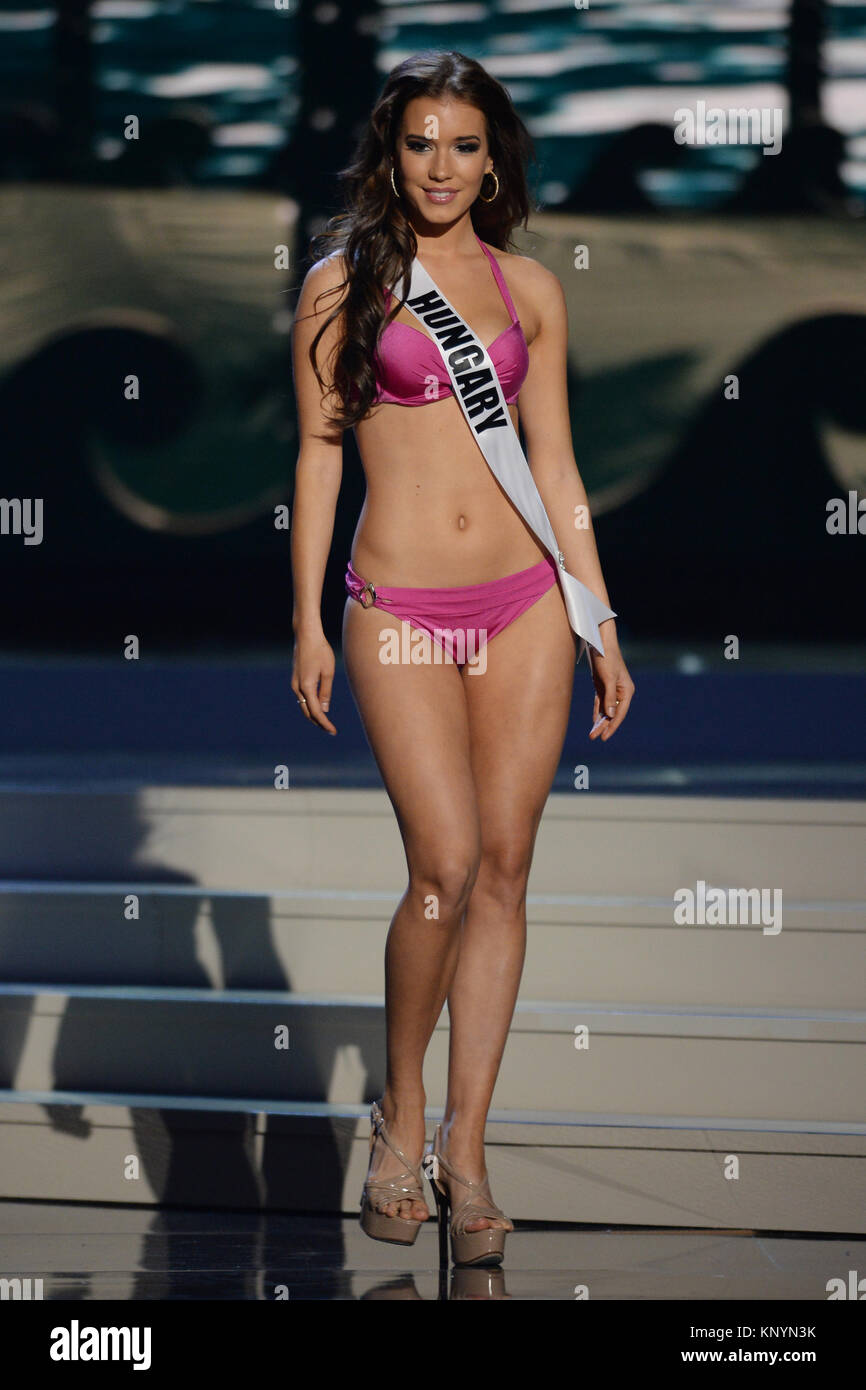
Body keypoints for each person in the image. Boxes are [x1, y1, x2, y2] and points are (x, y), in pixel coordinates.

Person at [290, 50, 634, 1267]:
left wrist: (594, 614)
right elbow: (320, 456)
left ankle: (469, 1147)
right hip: (395, 605)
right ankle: (399, 1110)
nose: (442, 167)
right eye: (421, 143)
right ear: (393, 153)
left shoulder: (529, 289)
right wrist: (306, 618)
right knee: (437, 862)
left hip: (525, 600)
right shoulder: (343, 285)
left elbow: (557, 472)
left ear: (494, 161)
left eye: (465, 146)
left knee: (502, 867)